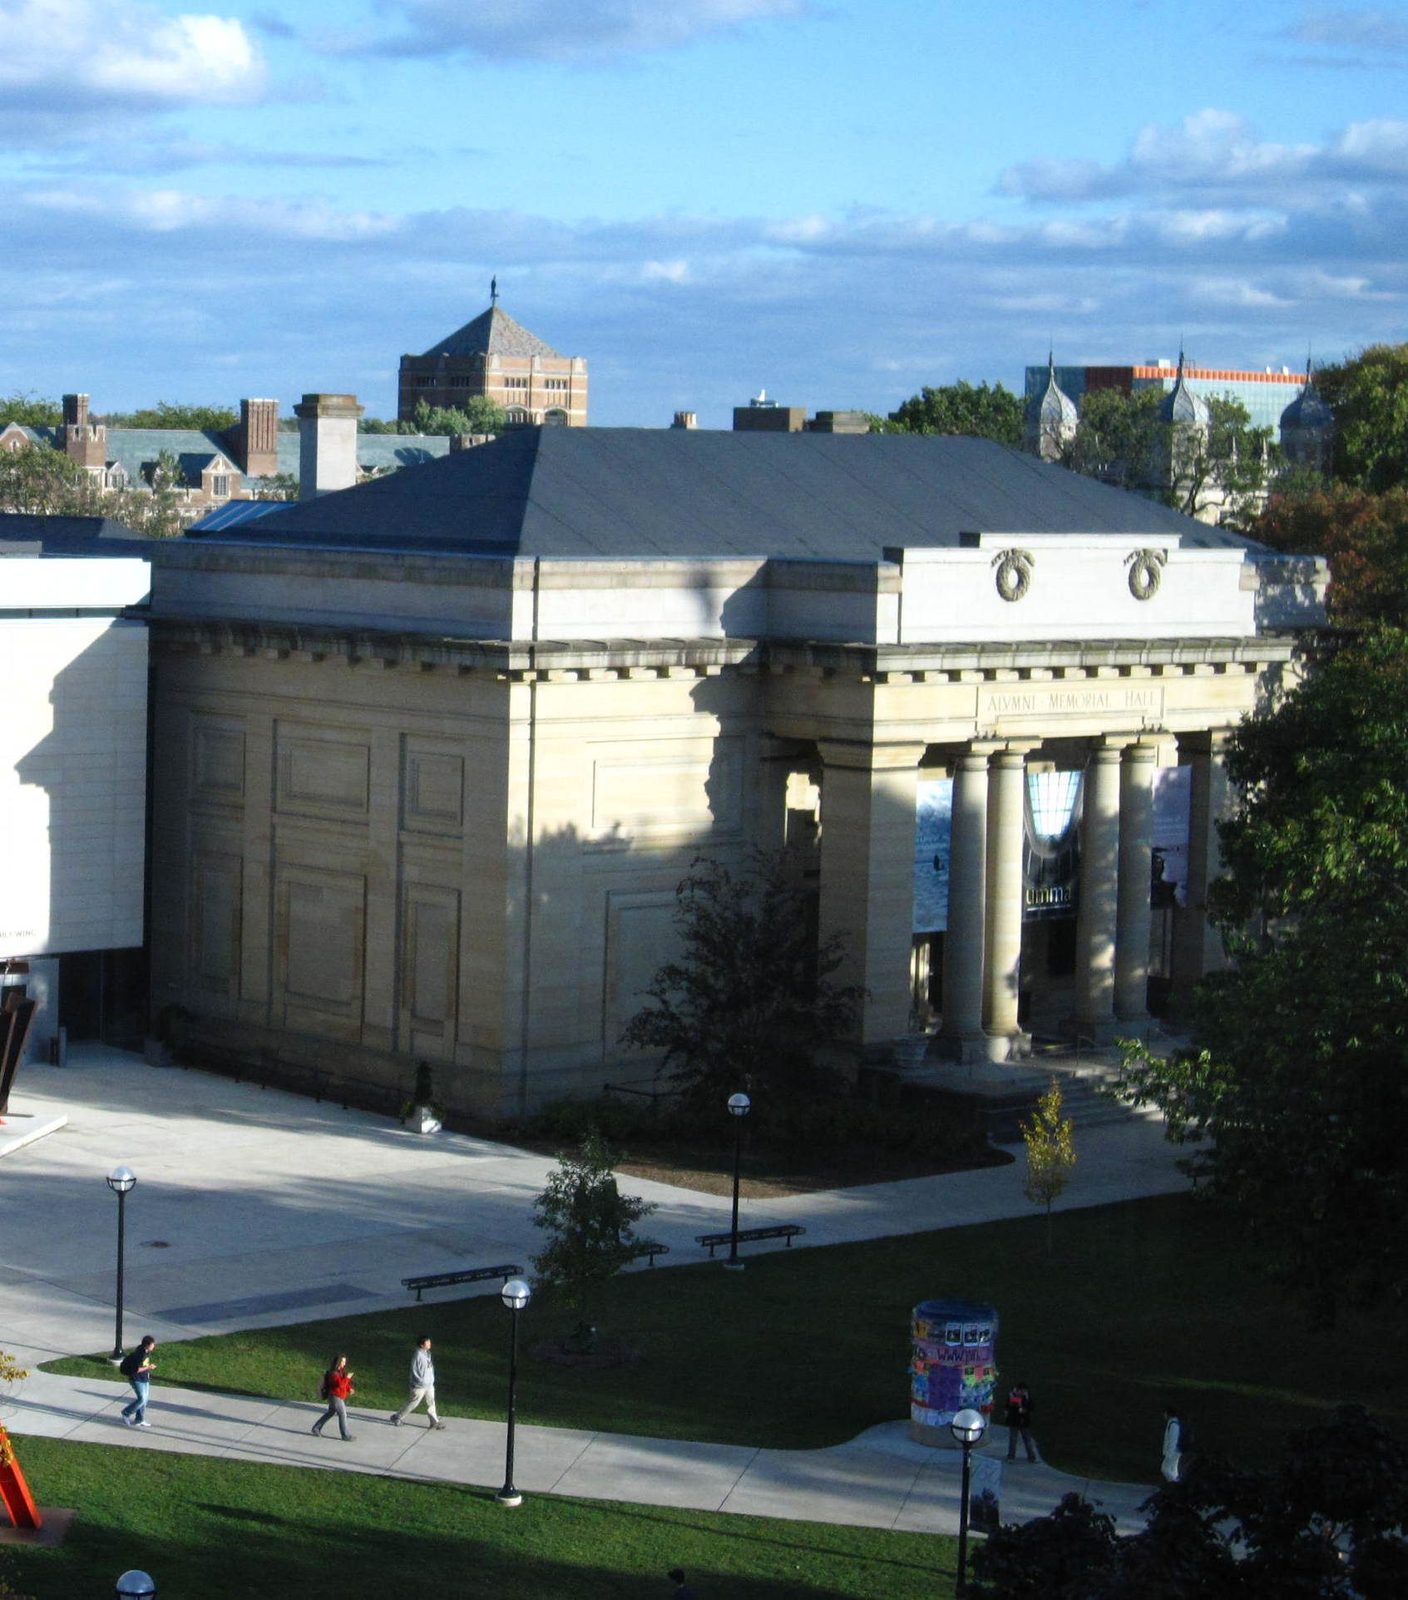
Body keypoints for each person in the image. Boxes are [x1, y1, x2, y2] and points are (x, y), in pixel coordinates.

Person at [390, 1334, 446, 1429]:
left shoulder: (428, 1354)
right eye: (427, 1342)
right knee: (413, 1403)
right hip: (419, 1386)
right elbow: (414, 1371)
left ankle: (434, 1422)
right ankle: (397, 1417)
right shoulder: (418, 1355)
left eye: (429, 1342)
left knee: (431, 1403)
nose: (430, 1343)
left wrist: (431, 1380)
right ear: (422, 1344)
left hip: (429, 1385)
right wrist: (420, 1382)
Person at [311, 1353, 356, 1441]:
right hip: (335, 1397)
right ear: (338, 1362)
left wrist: (349, 1389)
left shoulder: (340, 1372)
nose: (344, 1364)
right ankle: (345, 1435)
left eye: (345, 1362)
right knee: (343, 1414)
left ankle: (316, 1428)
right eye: (343, 1361)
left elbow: (344, 1384)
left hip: (337, 1397)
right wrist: (347, 1377)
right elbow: (340, 1384)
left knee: (330, 1412)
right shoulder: (333, 1373)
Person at [119, 1335, 157, 1428]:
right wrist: (149, 1367)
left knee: (145, 1400)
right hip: (136, 1379)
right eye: (152, 1344)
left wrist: (147, 1371)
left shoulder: (146, 1352)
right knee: (142, 1399)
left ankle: (139, 1420)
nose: (154, 1346)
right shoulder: (139, 1355)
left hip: (144, 1378)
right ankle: (126, 1413)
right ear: (147, 1345)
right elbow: (136, 1369)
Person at [1004, 1380, 1037, 1463]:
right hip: (1014, 1420)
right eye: (1022, 1391)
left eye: (1024, 1391)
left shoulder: (1027, 1397)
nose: (1023, 1393)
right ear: (1018, 1390)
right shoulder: (1012, 1395)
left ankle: (1031, 1457)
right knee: (1013, 1439)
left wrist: (1025, 1403)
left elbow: (1031, 1407)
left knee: (1027, 1439)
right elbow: (1008, 1406)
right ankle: (1011, 1456)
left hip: (1024, 1421)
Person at [1161, 1405, 1183, 1482]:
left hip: (1174, 1451)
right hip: (1176, 1451)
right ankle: (1176, 1483)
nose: (1164, 1415)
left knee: (1165, 1469)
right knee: (1173, 1470)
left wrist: (1169, 1453)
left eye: (1165, 1413)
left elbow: (1173, 1439)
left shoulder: (1173, 1424)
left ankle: (1176, 1483)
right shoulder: (1173, 1423)